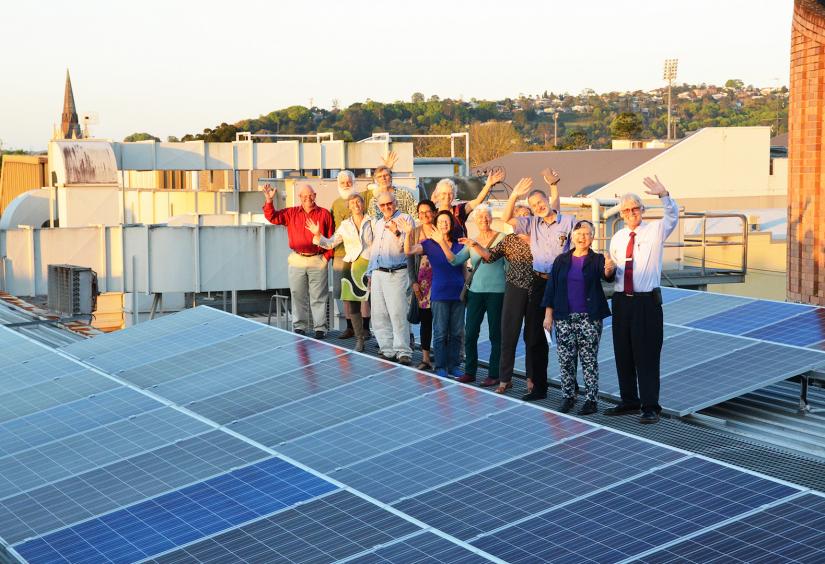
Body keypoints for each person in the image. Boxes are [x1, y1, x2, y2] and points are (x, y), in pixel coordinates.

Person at [606, 176, 678, 424]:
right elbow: (614, 272)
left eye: (635, 208)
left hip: (646, 302)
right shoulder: (617, 238)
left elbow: (672, 217)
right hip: (621, 301)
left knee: (646, 355)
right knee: (623, 352)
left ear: (642, 210)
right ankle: (629, 400)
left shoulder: (655, 230)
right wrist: (606, 271)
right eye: (626, 210)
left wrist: (664, 194)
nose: (631, 213)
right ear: (622, 214)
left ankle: (650, 406)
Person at [500, 169, 573, 401]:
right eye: (533, 204)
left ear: (547, 201)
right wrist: (514, 196)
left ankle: (570, 389)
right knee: (534, 337)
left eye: (540, 201)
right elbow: (505, 218)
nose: (538, 206)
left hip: (563, 283)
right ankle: (540, 387)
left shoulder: (568, 221)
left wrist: (554, 185)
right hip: (538, 282)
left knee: (567, 337)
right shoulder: (531, 224)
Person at [542, 220, 615, 415]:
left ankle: (591, 400)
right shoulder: (561, 260)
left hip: (589, 318)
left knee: (588, 360)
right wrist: (548, 315)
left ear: (592, 238)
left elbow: (607, 275)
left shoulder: (597, 259)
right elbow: (552, 289)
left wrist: (609, 268)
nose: (583, 237)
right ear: (572, 236)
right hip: (564, 317)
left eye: (587, 234)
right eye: (579, 233)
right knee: (566, 359)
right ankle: (568, 396)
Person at [441, 205, 506, 386]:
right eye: (480, 217)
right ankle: (470, 372)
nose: (483, 220)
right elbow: (455, 260)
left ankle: (494, 374)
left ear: (491, 219)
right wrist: (441, 242)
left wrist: (475, 245)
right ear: (475, 221)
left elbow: (494, 259)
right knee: (470, 334)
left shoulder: (502, 238)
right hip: (475, 293)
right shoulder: (472, 241)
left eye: (486, 217)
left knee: (495, 335)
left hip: (497, 293)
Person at [474, 204, 535, 394]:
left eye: (527, 216)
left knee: (532, 338)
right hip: (514, 288)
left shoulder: (540, 239)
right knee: (508, 335)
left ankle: (532, 379)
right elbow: (490, 257)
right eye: (519, 216)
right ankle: (505, 379)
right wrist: (475, 245)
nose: (523, 219)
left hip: (536, 289)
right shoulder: (509, 240)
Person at [262, 183, 333, 339]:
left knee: (318, 296)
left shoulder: (324, 214)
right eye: (304, 196)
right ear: (300, 197)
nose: (308, 198)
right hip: (297, 259)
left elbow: (331, 239)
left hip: (317, 259)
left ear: (315, 195)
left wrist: (326, 258)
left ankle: (320, 328)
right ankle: (299, 326)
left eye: (310, 195)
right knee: (297, 294)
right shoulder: (291, 213)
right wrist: (269, 200)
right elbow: (272, 217)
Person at [401, 211, 466, 378]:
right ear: (436, 224)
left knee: (457, 332)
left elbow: (464, 271)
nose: (444, 224)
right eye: (441, 221)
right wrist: (408, 233)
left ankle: (453, 365)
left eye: (447, 221)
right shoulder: (429, 244)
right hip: (439, 294)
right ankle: (440, 366)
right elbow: (408, 250)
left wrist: (467, 289)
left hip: (458, 294)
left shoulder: (460, 244)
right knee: (440, 332)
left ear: (451, 225)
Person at [307, 193, 373, 352]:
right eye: (352, 203)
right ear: (349, 207)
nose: (356, 205)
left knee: (376, 303)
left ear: (363, 204)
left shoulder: (373, 221)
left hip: (370, 266)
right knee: (354, 305)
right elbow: (330, 244)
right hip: (350, 266)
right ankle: (359, 340)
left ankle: (384, 341)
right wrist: (317, 235)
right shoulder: (345, 225)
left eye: (358, 202)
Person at [367, 191, 415, 364]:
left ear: (395, 203)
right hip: (378, 272)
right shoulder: (378, 223)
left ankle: (403, 351)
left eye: (389, 203)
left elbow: (407, 248)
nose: (386, 207)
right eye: (383, 205)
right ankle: (387, 350)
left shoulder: (405, 219)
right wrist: (370, 273)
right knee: (379, 314)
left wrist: (397, 232)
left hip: (396, 272)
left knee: (398, 313)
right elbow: (375, 251)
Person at [329, 170, 372, 339]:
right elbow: (332, 234)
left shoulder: (363, 197)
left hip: (363, 256)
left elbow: (378, 188)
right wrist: (318, 237)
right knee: (345, 293)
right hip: (342, 256)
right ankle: (350, 327)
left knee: (364, 293)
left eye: (349, 181)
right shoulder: (335, 203)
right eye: (343, 182)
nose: (346, 184)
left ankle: (365, 328)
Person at [431, 169, 505, 237]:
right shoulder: (433, 214)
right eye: (444, 193)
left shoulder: (459, 210)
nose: (447, 196)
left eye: (450, 193)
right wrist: (431, 204)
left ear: (454, 195)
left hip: (460, 251)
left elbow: (477, 201)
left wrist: (488, 185)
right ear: (438, 194)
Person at [411, 199, 437, 370]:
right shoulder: (414, 232)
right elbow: (408, 258)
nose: (424, 215)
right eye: (421, 212)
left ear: (434, 212)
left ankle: (441, 357)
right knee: (426, 320)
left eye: (428, 211)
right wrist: (413, 281)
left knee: (441, 321)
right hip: (422, 282)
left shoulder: (442, 228)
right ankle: (425, 357)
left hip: (441, 279)